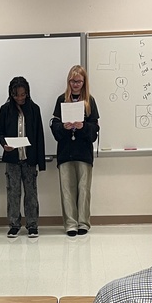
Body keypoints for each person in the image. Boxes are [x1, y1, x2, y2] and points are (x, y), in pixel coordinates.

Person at [51, 65, 99, 237]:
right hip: (65, 152)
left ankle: (83, 223)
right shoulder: (61, 100)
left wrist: (83, 126)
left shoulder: (89, 101)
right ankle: (70, 223)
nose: (75, 84)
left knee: (84, 189)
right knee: (67, 189)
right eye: (73, 81)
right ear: (68, 81)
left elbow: (95, 129)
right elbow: (54, 127)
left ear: (84, 82)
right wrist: (64, 127)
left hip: (84, 152)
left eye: (79, 81)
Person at [0, 76, 46, 238]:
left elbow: (39, 136)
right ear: (11, 94)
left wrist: (41, 162)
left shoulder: (34, 109)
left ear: (27, 93)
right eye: (17, 95)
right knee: (13, 192)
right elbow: (0, 132)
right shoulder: (5, 110)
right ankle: (14, 224)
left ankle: (32, 224)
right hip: (12, 159)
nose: (20, 98)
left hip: (29, 159)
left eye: (23, 94)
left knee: (31, 193)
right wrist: (4, 144)